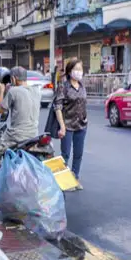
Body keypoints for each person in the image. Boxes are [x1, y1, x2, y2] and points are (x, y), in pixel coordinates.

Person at [0, 66, 39, 186]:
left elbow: (0, 111)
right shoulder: (36, 91)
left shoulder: (14, 91)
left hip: (16, 135)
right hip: (33, 135)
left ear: (13, 79)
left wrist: (2, 90)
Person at [53, 57, 88, 186]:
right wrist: (62, 126)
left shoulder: (82, 85)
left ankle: (74, 179)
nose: (79, 72)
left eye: (81, 69)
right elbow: (58, 106)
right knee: (65, 155)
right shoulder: (63, 85)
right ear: (69, 71)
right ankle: (63, 181)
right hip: (67, 125)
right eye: (76, 69)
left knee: (78, 154)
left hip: (81, 125)